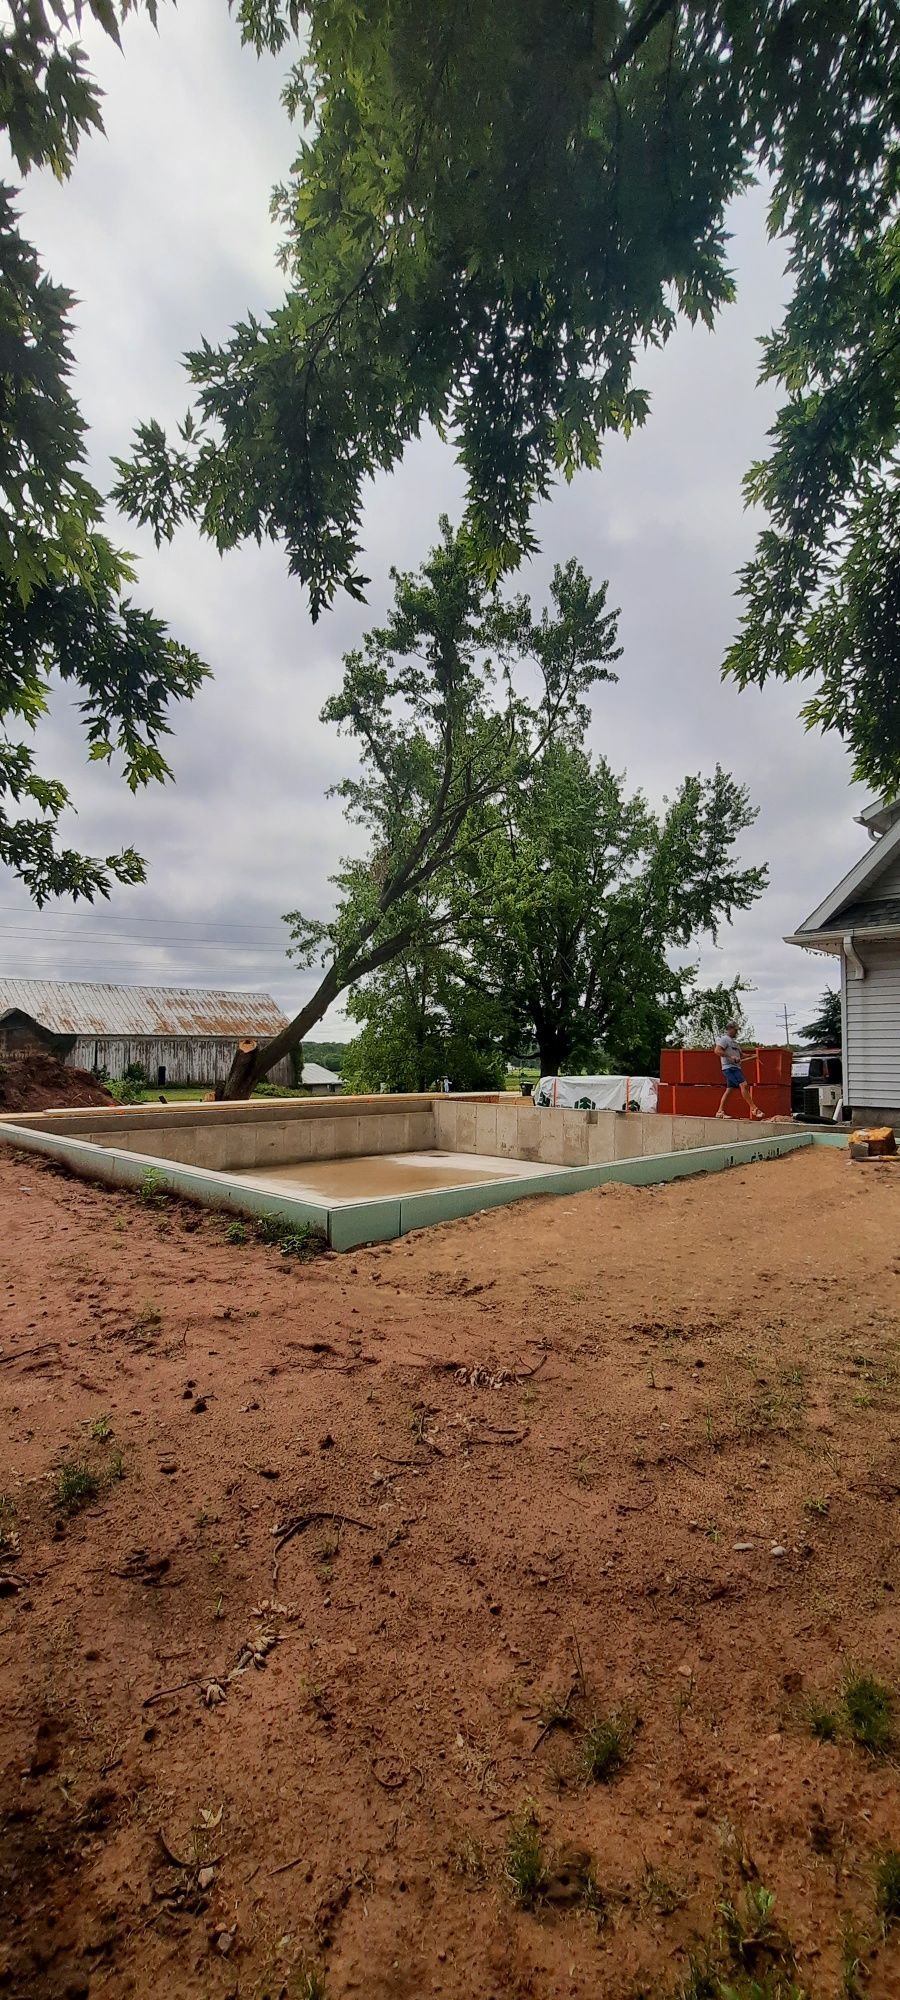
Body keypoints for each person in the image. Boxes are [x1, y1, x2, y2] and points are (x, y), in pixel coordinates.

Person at [715, 1022, 765, 1120]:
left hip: (736, 1067)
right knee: (744, 1085)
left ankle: (720, 1111)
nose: (737, 1032)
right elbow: (717, 1051)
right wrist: (730, 1056)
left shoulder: (735, 1043)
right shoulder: (724, 1039)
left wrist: (751, 1056)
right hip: (729, 1068)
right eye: (735, 1030)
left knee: (729, 1090)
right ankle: (754, 1109)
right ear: (730, 1029)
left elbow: (741, 1055)